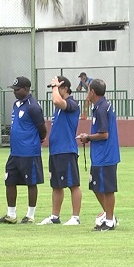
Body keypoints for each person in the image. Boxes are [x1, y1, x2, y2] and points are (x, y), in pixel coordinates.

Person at [0, 76, 46, 224]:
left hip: (29, 151)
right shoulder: (17, 104)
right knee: (9, 180)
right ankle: (11, 214)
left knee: (31, 182)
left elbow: (42, 128)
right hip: (15, 152)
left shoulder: (33, 106)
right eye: (14, 90)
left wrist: (39, 139)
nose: (15, 92)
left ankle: (30, 215)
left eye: (17, 90)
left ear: (26, 89)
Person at [77, 79, 120, 231]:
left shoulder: (102, 109)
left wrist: (87, 137)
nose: (87, 94)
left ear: (92, 92)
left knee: (107, 189)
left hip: (105, 155)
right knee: (95, 186)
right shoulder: (100, 107)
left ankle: (109, 221)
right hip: (100, 155)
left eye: (88, 90)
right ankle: (110, 216)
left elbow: (104, 134)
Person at [39, 76, 82, 225]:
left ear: (64, 88)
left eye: (57, 88)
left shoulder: (71, 104)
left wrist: (54, 87)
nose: (54, 91)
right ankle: (54, 216)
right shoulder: (58, 108)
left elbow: (57, 100)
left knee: (73, 184)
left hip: (67, 150)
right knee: (56, 185)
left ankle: (75, 217)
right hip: (55, 151)